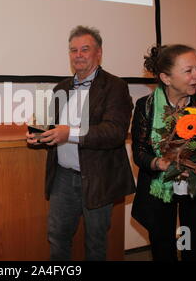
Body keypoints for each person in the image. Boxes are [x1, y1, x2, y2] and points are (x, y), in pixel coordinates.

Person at [26, 25, 135, 260]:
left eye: (84, 49)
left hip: (98, 177)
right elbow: (52, 126)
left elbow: (114, 132)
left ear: (99, 53)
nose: (78, 55)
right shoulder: (61, 87)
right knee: (57, 237)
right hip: (63, 178)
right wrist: (38, 135)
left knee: (95, 242)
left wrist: (69, 134)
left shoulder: (116, 87)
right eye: (73, 50)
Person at [131, 44, 196, 261]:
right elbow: (139, 151)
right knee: (163, 246)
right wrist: (159, 163)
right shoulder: (147, 106)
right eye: (188, 71)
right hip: (159, 189)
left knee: (194, 244)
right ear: (166, 78)